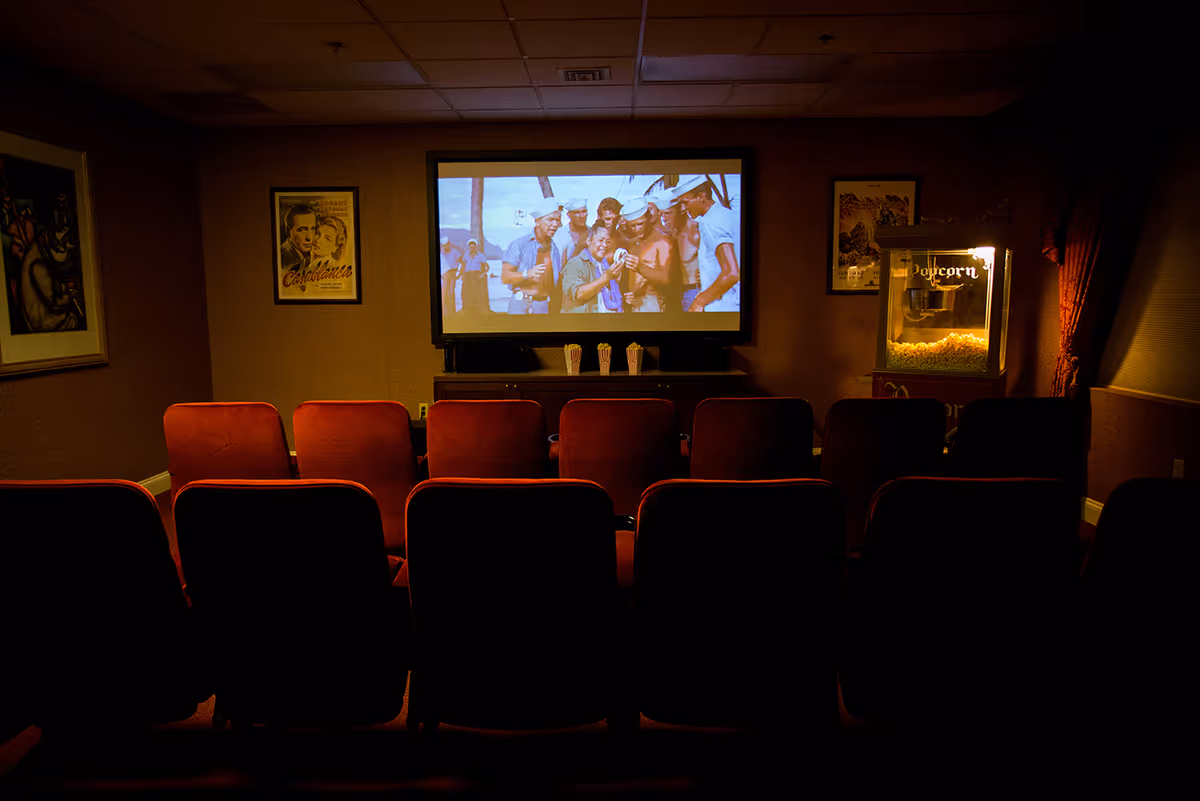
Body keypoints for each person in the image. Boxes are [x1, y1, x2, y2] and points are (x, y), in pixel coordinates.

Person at [676, 176, 740, 313]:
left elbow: (732, 273)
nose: (683, 209)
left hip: (722, 305)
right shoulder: (728, 215)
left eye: (686, 203)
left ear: (701, 196)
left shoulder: (710, 222)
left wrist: (699, 302)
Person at [502, 196, 562, 314]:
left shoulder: (555, 249)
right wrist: (526, 274)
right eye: (550, 219)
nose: (555, 224)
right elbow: (505, 276)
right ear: (537, 221)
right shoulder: (519, 245)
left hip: (545, 306)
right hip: (521, 305)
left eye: (558, 220)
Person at [619, 199, 676, 314]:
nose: (636, 229)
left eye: (640, 224)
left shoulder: (663, 242)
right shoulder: (632, 243)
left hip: (654, 304)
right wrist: (630, 295)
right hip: (634, 304)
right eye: (632, 226)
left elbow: (667, 279)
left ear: (649, 218)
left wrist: (640, 267)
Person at [560, 220, 625, 314]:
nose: (605, 245)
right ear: (588, 241)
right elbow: (578, 294)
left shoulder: (606, 264)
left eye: (608, 241)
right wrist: (606, 278)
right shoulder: (575, 264)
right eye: (600, 240)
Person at [661, 188, 701, 311]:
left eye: (668, 213)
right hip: (677, 293)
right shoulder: (672, 234)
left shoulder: (696, 231)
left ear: (682, 210)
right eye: (662, 214)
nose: (664, 218)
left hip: (694, 291)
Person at [280, 203, 317, 272]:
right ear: (289, 232)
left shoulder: (313, 255)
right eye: (302, 230)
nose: (309, 238)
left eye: (313, 229)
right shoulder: (282, 260)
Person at [461, 237, 490, 313]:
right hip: (467, 274)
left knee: (476, 291)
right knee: (467, 291)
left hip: (475, 274)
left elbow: (487, 267)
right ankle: (467, 308)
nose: (472, 248)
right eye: (470, 247)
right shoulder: (466, 255)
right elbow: (463, 265)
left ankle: (476, 309)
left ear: (476, 247)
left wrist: (482, 274)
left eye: (473, 247)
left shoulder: (480, 255)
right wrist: (462, 275)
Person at [559, 198, 590, 265]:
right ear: (569, 215)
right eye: (577, 212)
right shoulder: (559, 234)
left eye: (584, 211)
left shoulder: (593, 232)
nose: (581, 216)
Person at [440, 236, 462, 318]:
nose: (445, 246)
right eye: (443, 245)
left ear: (449, 244)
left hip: (452, 273)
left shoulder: (455, 252)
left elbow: (461, 262)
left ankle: (452, 313)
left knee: (451, 293)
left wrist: (459, 273)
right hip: (444, 273)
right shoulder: (442, 254)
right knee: (445, 294)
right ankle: (446, 313)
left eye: (446, 244)